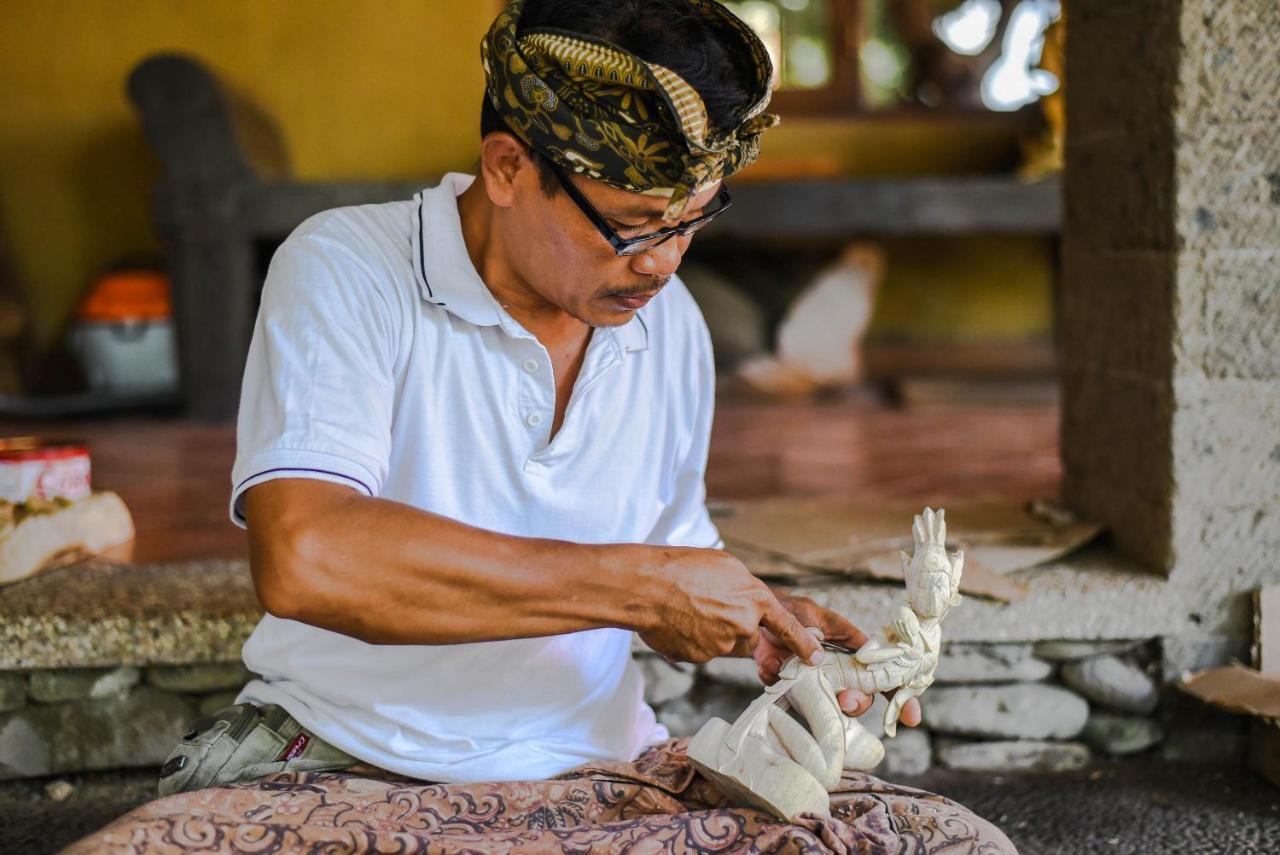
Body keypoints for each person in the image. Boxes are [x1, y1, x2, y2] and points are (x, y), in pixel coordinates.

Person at [66, 2, 1014, 851]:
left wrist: (763, 623)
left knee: (950, 843)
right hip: (349, 755)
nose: (667, 264)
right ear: (509, 167)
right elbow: (308, 557)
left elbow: (666, 547)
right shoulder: (350, 269)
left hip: (604, 769)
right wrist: (643, 591)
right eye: (637, 225)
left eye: (693, 222)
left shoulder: (665, 326)